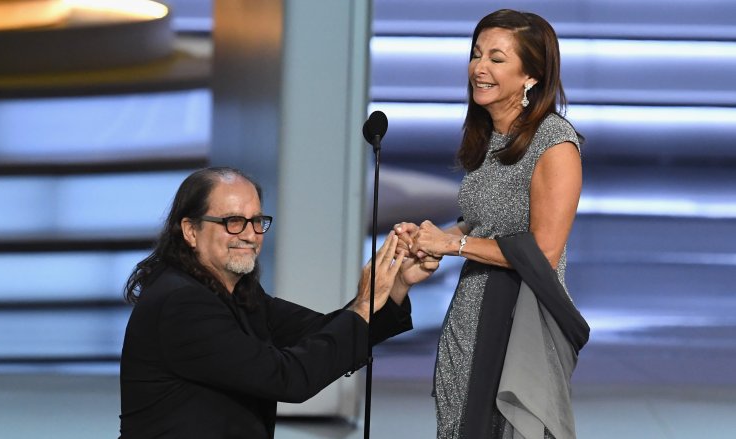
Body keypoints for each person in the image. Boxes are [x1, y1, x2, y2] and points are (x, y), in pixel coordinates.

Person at [118, 166, 439, 438]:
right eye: (233, 221)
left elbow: (323, 332)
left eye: (257, 221)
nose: (249, 234)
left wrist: (394, 286)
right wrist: (365, 304)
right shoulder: (183, 305)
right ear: (190, 230)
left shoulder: (238, 292)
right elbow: (288, 378)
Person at [394, 9, 589, 439]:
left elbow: (543, 253)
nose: (479, 68)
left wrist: (454, 248)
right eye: (477, 54)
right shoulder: (490, 137)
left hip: (519, 319)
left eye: (497, 59)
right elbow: (483, 222)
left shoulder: (555, 144)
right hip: (469, 313)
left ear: (531, 76)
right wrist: (436, 238)